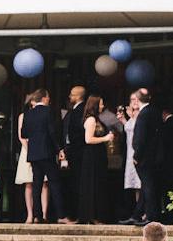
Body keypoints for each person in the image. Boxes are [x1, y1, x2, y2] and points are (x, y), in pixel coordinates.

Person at [21, 89, 71, 224]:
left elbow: (24, 133)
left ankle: (37, 215)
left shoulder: (28, 113)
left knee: (36, 185)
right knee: (54, 183)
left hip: (33, 154)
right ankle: (61, 216)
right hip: (47, 152)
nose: (49, 99)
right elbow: (52, 131)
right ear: (43, 98)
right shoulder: (48, 111)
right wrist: (59, 149)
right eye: (48, 97)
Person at [78, 96, 114, 224]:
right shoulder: (91, 120)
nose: (102, 106)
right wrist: (105, 138)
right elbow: (88, 139)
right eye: (100, 104)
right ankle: (92, 215)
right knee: (93, 183)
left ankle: (97, 215)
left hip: (97, 155)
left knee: (97, 183)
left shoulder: (96, 119)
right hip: (92, 155)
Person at [131, 89, 164, 224]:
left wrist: (136, 155)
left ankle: (151, 215)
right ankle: (137, 214)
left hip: (144, 156)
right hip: (154, 155)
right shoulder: (155, 111)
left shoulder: (143, 114)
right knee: (147, 185)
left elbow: (141, 138)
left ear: (138, 100)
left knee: (148, 185)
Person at [15, 93, 48, 224]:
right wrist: (29, 149)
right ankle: (30, 214)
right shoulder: (23, 116)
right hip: (27, 150)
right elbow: (21, 136)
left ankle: (43, 214)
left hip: (39, 149)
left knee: (44, 183)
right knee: (28, 183)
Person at [118, 93, 144, 224]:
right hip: (130, 153)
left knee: (141, 183)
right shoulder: (133, 114)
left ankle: (143, 212)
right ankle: (137, 211)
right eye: (132, 99)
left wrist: (129, 117)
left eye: (136, 99)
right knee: (135, 185)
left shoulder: (142, 114)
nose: (134, 102)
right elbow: (130, 129)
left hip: (137, 152)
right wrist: (124, 120)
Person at [63, 85, 87, 222]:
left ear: (78, 96)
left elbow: (74, 134)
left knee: (76, 183)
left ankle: (77, 213)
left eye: (72, 95)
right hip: (76, 152)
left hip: (77, 153)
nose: (70, 97)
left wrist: (69, 149)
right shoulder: (78, 110)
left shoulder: (78, 111)